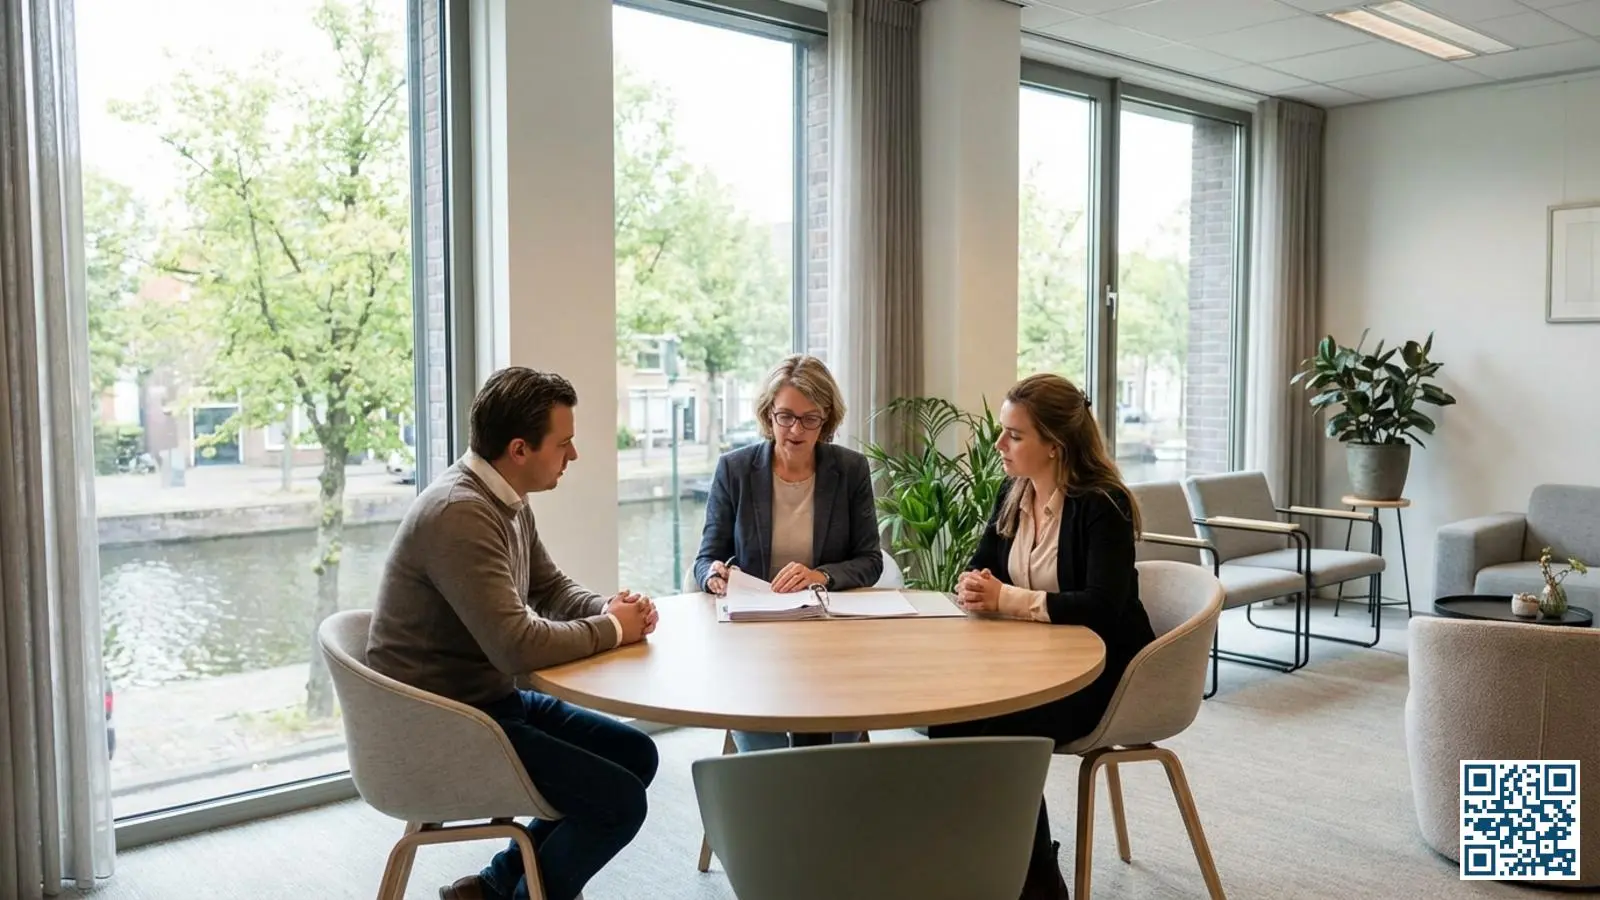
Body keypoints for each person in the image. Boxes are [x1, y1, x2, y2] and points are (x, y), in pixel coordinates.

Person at [366, 367, 660, 900]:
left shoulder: (504, 498)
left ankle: (496, 886)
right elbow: (516, 646)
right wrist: (614, 628)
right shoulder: (461, 514)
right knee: (618, 801)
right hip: (445, 725)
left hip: (483, 702)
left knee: (637, 755)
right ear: (520, 449)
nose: (573, 455)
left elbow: (548, 586)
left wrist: (607, 608)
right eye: (564, 443)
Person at [934, 373, 1154, 900]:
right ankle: (976, 871)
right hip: (1029, 665)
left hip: (1100, 676)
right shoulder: (1013, 492)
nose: (999, 444)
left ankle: (1037, 885)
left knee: (1001, 738)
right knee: (948, 723)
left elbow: (1102, 607)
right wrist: (973, 585)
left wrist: (1008, 599)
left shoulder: (1103, 505)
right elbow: (983, 567)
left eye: (1014, 435)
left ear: (1054, 444)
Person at [693, 354, 883, 751]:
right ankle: (774, 780)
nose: (796, 429)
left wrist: (820, 576)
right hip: (756, 633)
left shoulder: (850, 469)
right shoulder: (735, 470)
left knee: (840, 734)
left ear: (826, 420)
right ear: (769, 414)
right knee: (760, 733)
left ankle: (831, 778)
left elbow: (870, 560)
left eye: (810, 419)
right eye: (785, 416)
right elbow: (705, 558)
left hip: (829, 633)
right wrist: (713, 575)